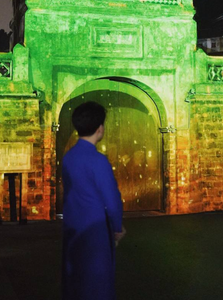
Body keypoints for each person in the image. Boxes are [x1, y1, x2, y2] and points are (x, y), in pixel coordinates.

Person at [62, 101, 125, 300]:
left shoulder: (68, 157)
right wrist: (117, 227)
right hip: (96, 228)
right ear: (100, 128)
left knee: (75, 280)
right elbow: (112, 199)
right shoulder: (98, 161)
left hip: (73, 225)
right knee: (98, 282)